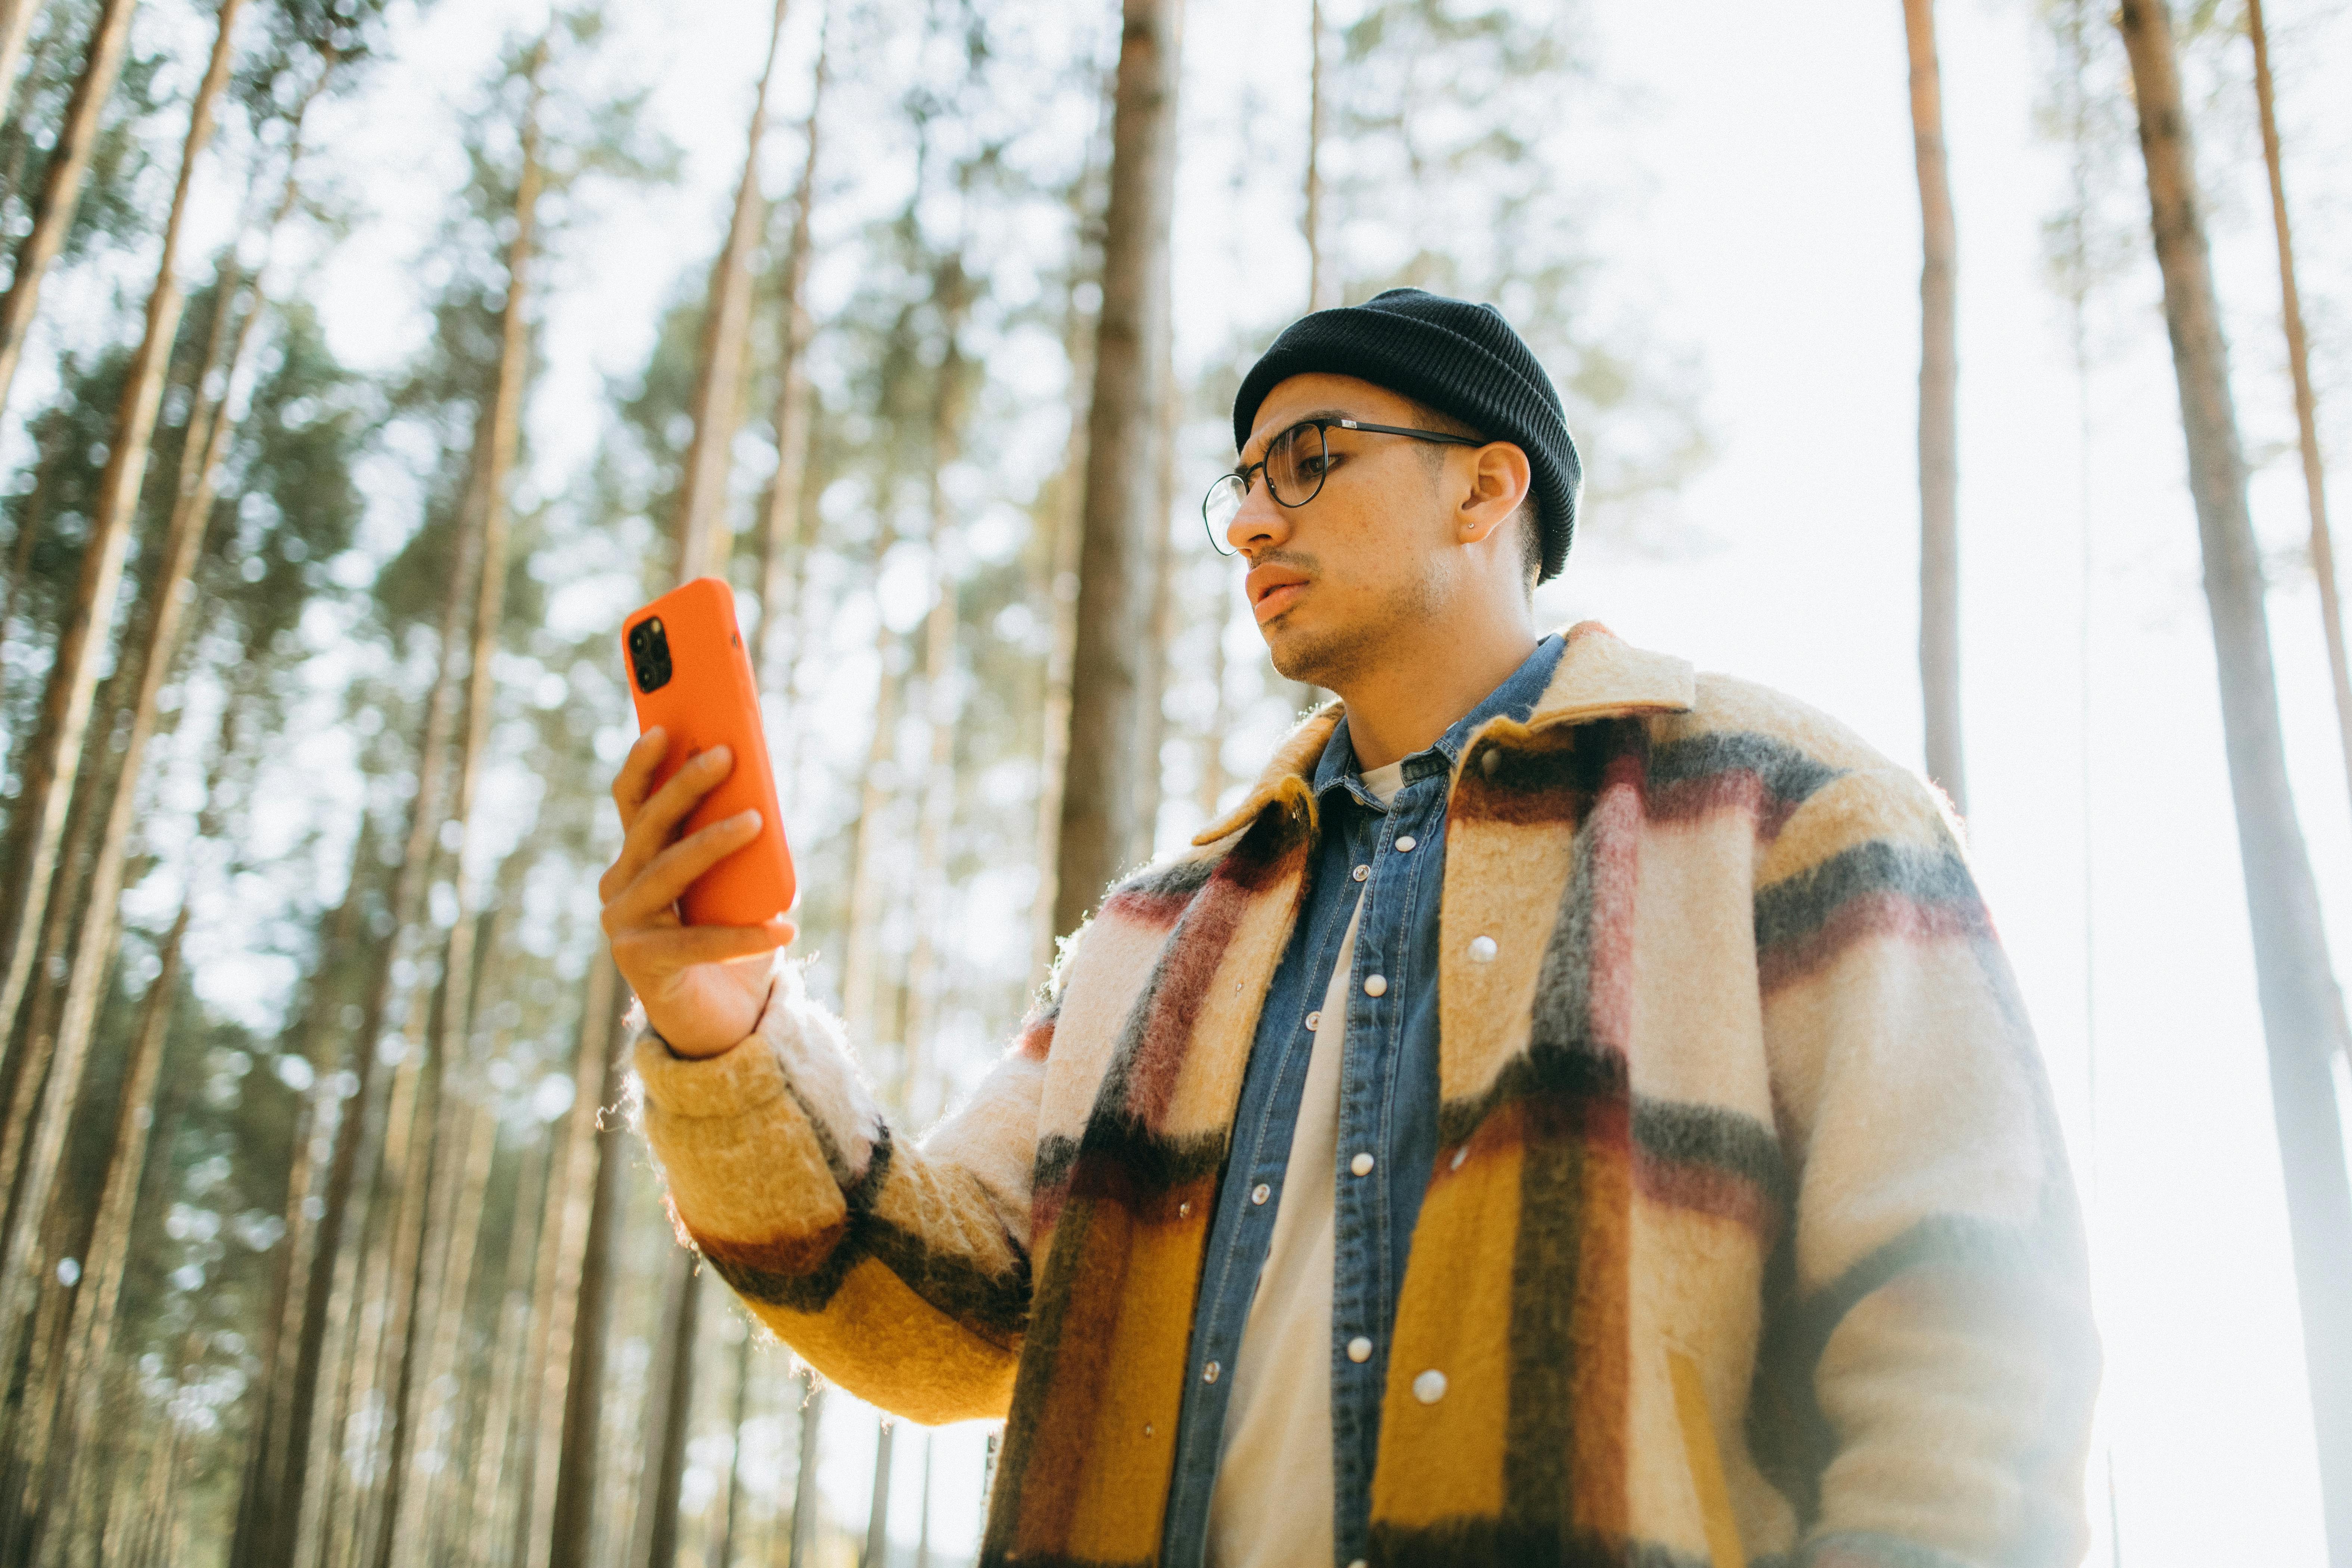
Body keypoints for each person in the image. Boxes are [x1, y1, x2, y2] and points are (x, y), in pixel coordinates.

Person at [600, 288, 2097, 1568]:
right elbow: (940, 1317)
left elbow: (1967, 1352)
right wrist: (722, 1019)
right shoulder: (1151, 932)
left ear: (1485, 488)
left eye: (1309, 462)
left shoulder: (1791, 809)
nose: (1252, 516)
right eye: (1241, 483)